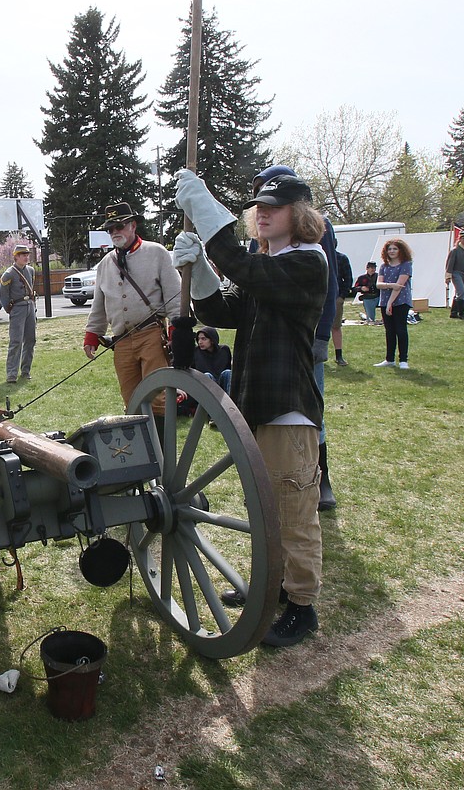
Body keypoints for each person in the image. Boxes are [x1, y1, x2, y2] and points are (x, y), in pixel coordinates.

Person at [174, 170, 328, 648]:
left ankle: (301, 607)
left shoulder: (307, 262)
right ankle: (275, 587)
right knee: (266, 511)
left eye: (274, 206)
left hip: (288, 412)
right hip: (258, 408)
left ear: (298, 215)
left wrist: (204, 210)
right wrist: (199, 268)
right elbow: (222, 313)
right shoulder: (268, 265)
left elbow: (245, 270)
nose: (262, 212)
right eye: (258, 205)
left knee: (293, 513)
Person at [252, 165, 339, 511]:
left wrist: (322, 334)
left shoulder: (315, 233)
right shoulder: (262, 237)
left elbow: (329, 284)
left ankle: (321, 475)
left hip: (307, 331)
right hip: (270, 340)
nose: (262, 208)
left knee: (308, 409)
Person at [82, 202, 180, 422]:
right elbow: (99, 304)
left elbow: (175, 294)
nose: (115, 232)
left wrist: (176, 328)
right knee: (131, 400)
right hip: (122, 340)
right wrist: (92, 335)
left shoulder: (157, 253)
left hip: (151, 335)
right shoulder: (105, 264)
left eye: (120, 226)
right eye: (111, 229)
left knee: (157, 398)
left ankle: (162, 451)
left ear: (133, 226)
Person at [375, 238, 414, 369]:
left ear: (400, 250)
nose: (391, 251)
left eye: (395, 249)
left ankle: (403, 360)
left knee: (401, 330)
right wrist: (390, 285)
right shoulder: (383, 266)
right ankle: (389, 359)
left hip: (401, 301)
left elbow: (400, 286)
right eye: (389, 249)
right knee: (389, 331)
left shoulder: (406, 265)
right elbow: (378, 284)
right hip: (385, 302)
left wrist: (390, 303)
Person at [0, 243, 37, 383]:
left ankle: (26, 371)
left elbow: (31, 289)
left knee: (31, 339)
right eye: (23, 255)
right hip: (18, 308)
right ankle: (11, 374)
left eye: (27, 255)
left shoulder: (31, 270)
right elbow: (3, 295)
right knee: (16, 341)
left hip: (29, 307)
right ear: (16, 257)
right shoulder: (9, 273)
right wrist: (10, 310)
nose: (26, 257)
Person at [193, 326, 232, 394]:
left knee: (227, 373)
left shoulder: (224, 350)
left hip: (221, 383)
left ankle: (229, 402)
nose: (200, 342)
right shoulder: (196, 352)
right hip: (204, 385)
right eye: (198, 339)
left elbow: (228, 368)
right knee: (207, 375)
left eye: (203, 339)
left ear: (212, 340)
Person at [445, 231, 464, 319]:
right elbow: (449, 265)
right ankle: (462, 313)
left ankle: (454, 312)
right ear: (460, 239)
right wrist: (448, 277)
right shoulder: (455, 250)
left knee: (461, 293)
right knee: (461, 292)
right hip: (456, 273)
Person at [333, 248, 353, 365]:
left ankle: (339, 356)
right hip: (319, 297)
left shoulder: (341, 258)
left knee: (336, 326)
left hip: (336, 297)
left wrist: (342, 297)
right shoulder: (316, 256)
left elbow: (348, 278)